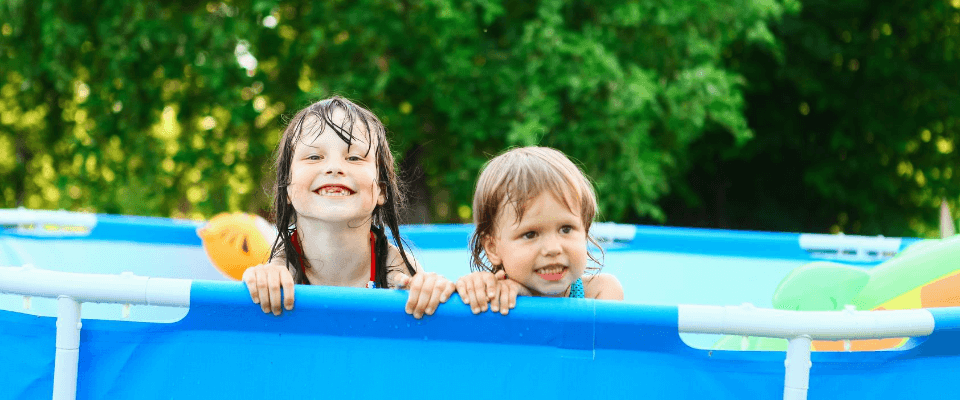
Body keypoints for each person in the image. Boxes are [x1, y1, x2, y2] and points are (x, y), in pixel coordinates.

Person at [242, 96, 454, 319]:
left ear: (381, 189)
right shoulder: (277, 274)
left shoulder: (398, 273)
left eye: (353, 157)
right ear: (287, 188)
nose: (334, 168)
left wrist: (431, 289)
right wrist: (260, 280)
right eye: (314, 156)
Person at [456, 146, 623, 314]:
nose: (553, 249)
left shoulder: (600, 293)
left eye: (566, 229)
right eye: (530, 234)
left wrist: (528, 299)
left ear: (585, 231)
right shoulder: (492, 295)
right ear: (493, 248)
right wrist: (477, 290)